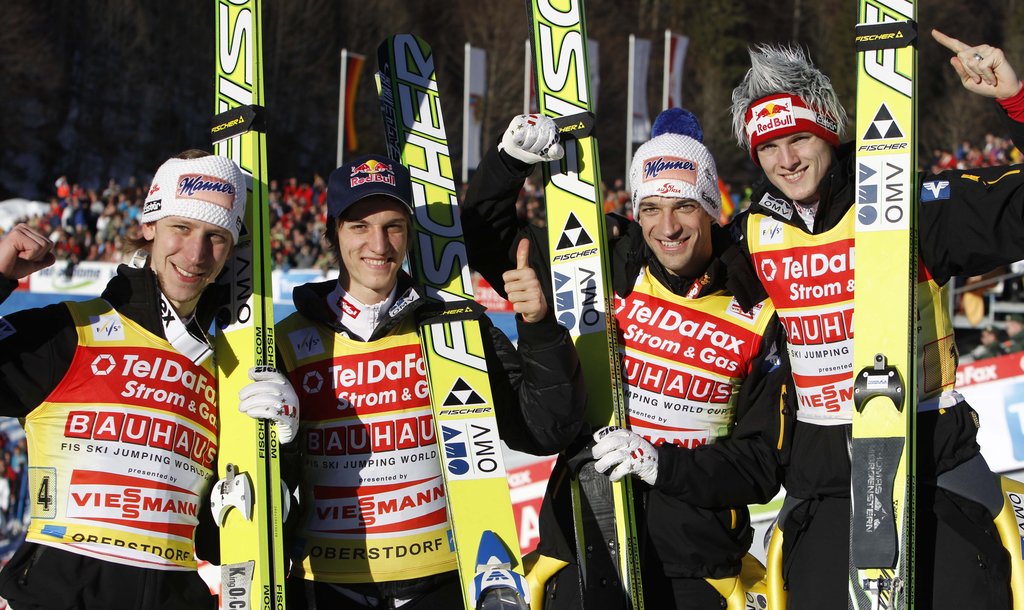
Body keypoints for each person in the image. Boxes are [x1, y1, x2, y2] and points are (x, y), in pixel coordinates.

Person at [728, 30, 1024, 609]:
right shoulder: (752, 235)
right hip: (825, 492)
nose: (787, 161)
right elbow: (669, 259)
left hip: (932, 474)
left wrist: (1014, 101)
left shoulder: (909, 205)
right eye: (769, 148)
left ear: (828, 132)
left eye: (799, 138)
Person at [460, 110, 789, 609]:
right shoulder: (601, 269)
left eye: (684, 206)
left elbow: (762, 465)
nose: (668, 227)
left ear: (710, 209)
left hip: (695, 569)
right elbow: (483, 235)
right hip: (584, 546)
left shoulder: (756, 307)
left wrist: (663, 465)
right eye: (651, 208)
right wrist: (509, 163)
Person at [276, 154, 586, 608]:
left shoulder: (454, 327)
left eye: (393, 226)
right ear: (333, 233)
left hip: (441, 582)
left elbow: (543, 430)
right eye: (360, 226)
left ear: (409, 235)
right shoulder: (287, 341)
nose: (378, 244)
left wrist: (538, 327)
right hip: (325, 585)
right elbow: (272, 483)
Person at [0, 153, 298, 610]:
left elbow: (224, 539)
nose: (196, 254)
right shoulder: (70, 333)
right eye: (182, 227)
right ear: (149, 225)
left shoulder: (232, 366)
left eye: (216, 236)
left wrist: (283, 453)